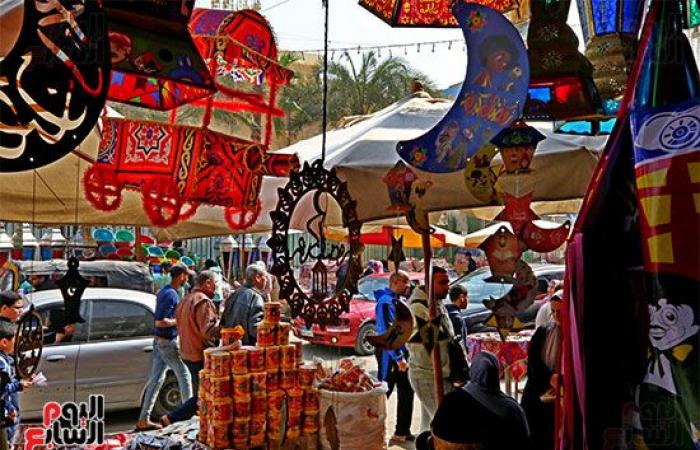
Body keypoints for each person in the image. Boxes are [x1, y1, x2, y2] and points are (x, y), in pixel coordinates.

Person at [416, 351, 530, 450]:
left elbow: (436, 431)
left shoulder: (450, 399)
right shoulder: (511, 410)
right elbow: (524, 442)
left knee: (423, 439)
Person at [135, 264, 194, 431]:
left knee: (156, 380)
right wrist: (181, 320)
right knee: (184, 375)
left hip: (160, 342)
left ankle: (143, 419)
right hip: (167, 342)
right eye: (186, 276)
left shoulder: (164, 291)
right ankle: (187, 418)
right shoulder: (170, 295)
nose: (188, 279)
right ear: (181, 275)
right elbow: (160, 321)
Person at [161, 271, 220, 426]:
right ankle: (171, 417)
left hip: (187, 352)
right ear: (207, 283)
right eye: (215, 284)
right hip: (199, 353)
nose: (215, 288)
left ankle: (200, 423)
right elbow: (207, 332)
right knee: (204, 394)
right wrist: (223, 327)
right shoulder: (202, 301)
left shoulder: (186, 299)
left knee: (200, 393)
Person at [407, 266, 455, 433]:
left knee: (429, 427)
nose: (447, 286)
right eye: (442, 283)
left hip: (439, 373)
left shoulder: (436, 303)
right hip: (427, 374)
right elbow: (431, 342)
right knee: (443, 427)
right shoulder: (419, 308)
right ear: (428, 284)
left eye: (448, 282)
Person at [374, 270, 415, 444]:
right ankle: (373, 430)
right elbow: (386, 332)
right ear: (396, 282)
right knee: (384, 392)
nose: (408, 286)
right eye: (406, 282)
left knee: (407, 391)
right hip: (389, 355)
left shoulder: (399, 301)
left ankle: (402, 431)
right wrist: (398, 357)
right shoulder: (385, 303)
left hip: (403, 353)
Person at [521, 290, 563, 450]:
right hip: (540, 391)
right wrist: (549, 377)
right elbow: (533, 362)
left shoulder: (576, 334)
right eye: (553, 311)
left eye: (560, 311)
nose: (556, 315)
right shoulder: (544, 331)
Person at [0, 320, 33, 446]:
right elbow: (1, 390)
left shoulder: (5, 359)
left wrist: (10, 408)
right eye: (14, 340)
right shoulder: (2, 363)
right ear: (4, 342)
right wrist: (18, 385)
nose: (17, 344)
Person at [221, 264, 266, 345]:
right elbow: (255, 329)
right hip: (246, 348)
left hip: (231, 346)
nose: (266, 280)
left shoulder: (235, 293)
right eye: (264, 277)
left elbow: (223, 321)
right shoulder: (256, 297)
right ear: (258, 278)